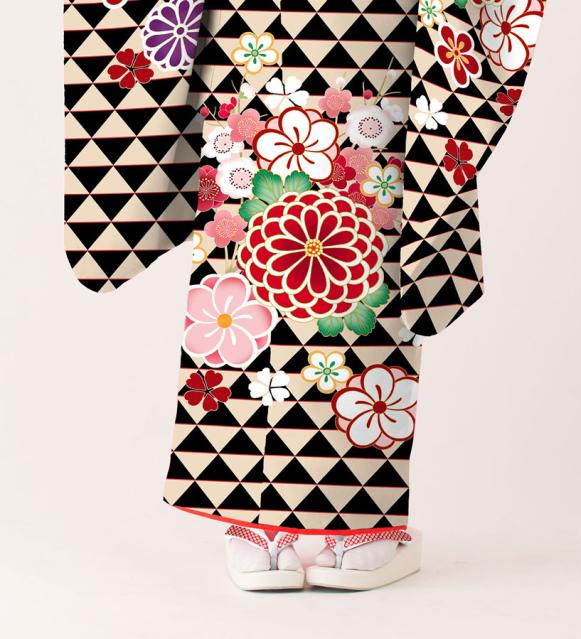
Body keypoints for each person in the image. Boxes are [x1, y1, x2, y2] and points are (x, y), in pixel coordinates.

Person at [63, 0, 546, 590]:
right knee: (245, 248)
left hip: (369, 40)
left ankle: (355, 516)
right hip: (248, 42)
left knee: (362, 247)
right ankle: (258, 515)